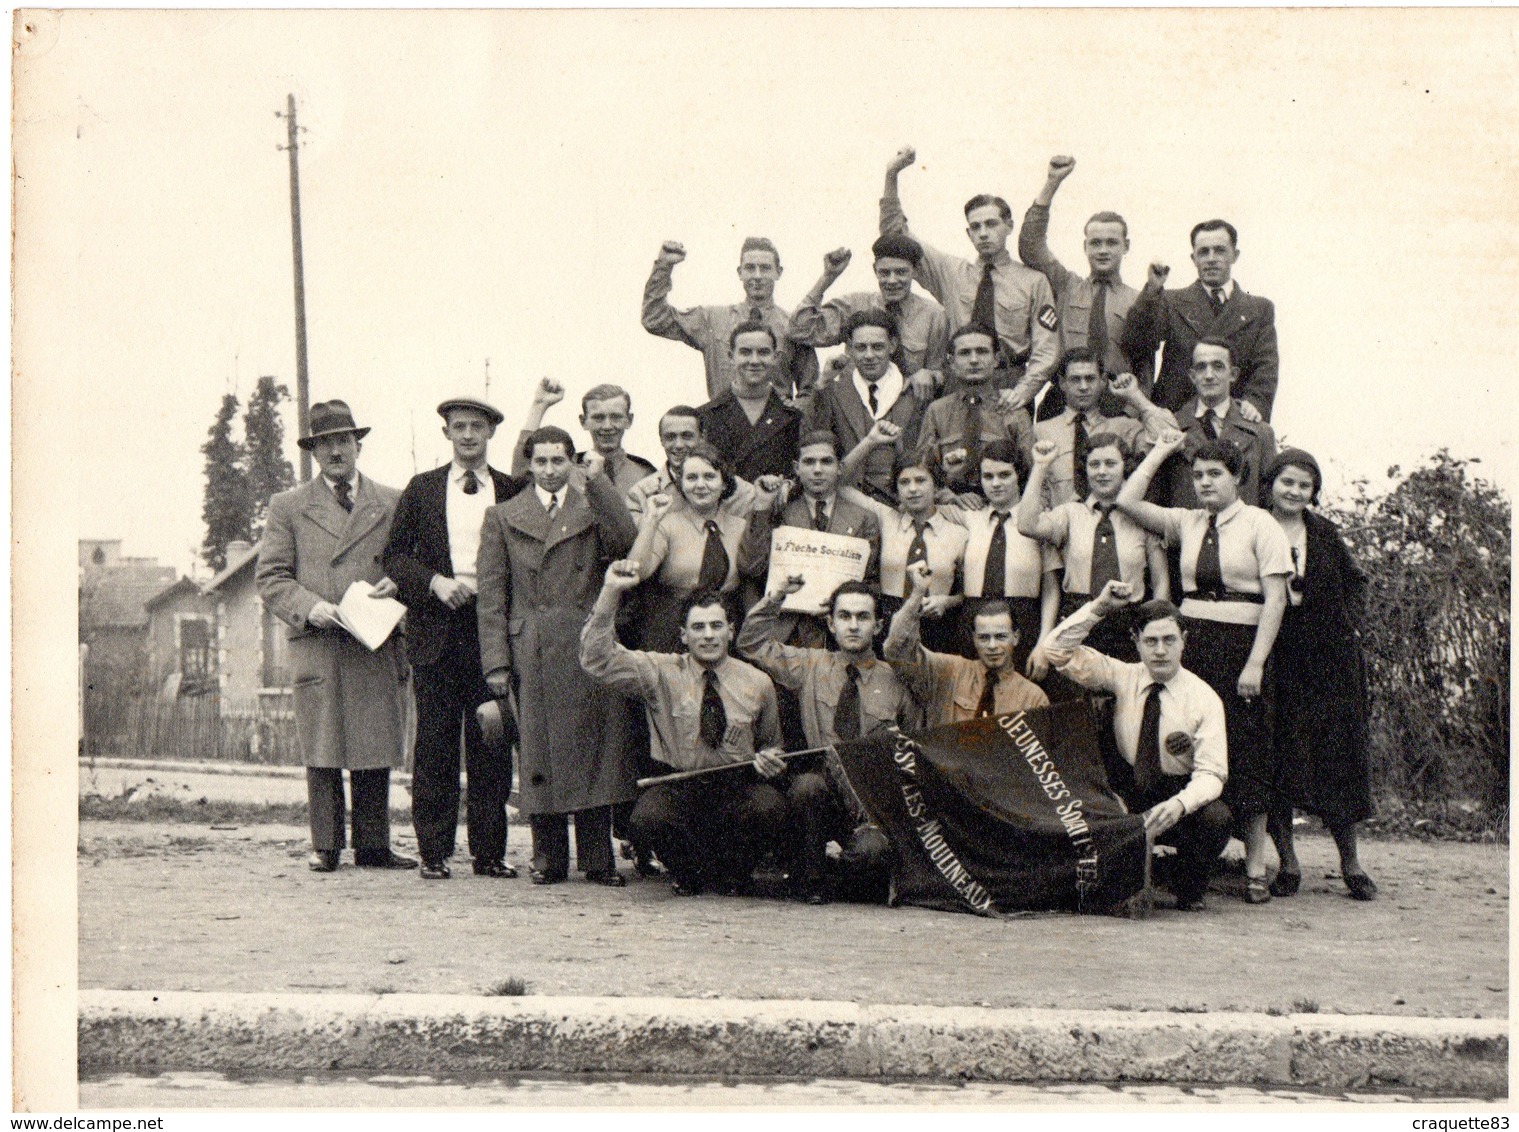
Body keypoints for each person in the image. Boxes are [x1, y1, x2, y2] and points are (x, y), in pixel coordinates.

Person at [1116, 429, 1291, 904]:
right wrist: (1160, 450)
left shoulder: (1261, 524)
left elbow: (1276, 599)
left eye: (1216, 474)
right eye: (1197, 476)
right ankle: (1198, 853)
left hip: (1242, 646)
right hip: (1194, 644)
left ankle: (1255, 864)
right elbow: (1127, 499)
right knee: (1185, 743)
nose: (1205, 483)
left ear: (1238, 478)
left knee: (1248, 753)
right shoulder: (1187, 521)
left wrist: (1255, 663)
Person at [255, 400, 416, 873]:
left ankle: (373, 845)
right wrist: (311, 608)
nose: (336, 451)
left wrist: (398, 584)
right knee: (323, 745)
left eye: (344, 440)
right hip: (320, 642)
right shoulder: (288, 506)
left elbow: (407, 562)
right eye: (326, 443)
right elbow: (272, 577)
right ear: (313, 451)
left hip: (374, 640)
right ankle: (325, 845)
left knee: (373, 741)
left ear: (357, 444)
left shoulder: (391, 501)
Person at [477, 426, 639, 886]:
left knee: (594, 752)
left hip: (586, 644)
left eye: (558, 461)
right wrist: (496, 663)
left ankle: (596, 858)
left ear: (573, 462)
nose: (549, 471)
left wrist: (600, 482)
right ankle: (548, 857)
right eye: (541, 462)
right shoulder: (503, 515)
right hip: (532, 648)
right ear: (528, 465)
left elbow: (625, 541)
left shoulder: (592, 507)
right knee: (539, 754)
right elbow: (492, 596)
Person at [581, 564, 790, 897]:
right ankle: (685, 872)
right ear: (683, 635)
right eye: (698, 627)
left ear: (731, 631)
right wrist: (610, 592)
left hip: (735, 788)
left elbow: (771, 744)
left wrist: (769, 760)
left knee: (770, 806)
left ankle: (734, 873)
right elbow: (597, 659)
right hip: (680, 785)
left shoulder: (758, 682)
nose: (708, 635)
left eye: (716, 626)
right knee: (648, 817)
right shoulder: (660, 673)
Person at [382, 397, 526, 881]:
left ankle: (488, 854)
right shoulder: (422, 489)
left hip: (491, 632)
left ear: (490, 435)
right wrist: (434, 582)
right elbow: (395, 557)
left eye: (477, 428)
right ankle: (434, 853)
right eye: (459, 427)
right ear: (446, 433)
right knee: (436, 746)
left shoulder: (510, 489)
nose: (468, 435)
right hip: (437, 633)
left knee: (491, 743)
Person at [1042, 581, 1232, 911]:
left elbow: (1213, 775)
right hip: (1129, 789)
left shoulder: (1204, 699)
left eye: (1169, 640)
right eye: (1151, 641)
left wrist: (1180, 805)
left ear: (1183, 642)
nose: (1160, 650)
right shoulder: (1123, 676)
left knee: (1216, 817)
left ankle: (1186, 887)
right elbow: (1056, 651)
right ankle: (1131, 877)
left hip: (1177, 793)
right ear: (1137, 642)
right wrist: (1099, 607)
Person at [738, 578, 914, 905]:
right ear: (831, 624)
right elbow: (751, 643)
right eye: (844, 616)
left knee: (871, 855)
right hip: (823, 792)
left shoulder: (897, 681)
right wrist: (777, 597)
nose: (853, 625)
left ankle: (834, 873)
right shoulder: (811, 665)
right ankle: (812, 881)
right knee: (806, 787)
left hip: (869, 801)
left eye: (863, 617)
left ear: (878, 625)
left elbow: (912, 751)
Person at [1262, 449, 1378, 901]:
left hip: (1328, 662)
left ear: (1313, 494)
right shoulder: (1252, 525)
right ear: (1271, 483)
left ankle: (1351, 863)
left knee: (1337, 756)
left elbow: (1355, 583)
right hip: (1275, 656)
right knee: (1278, 756)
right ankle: (1288, 863)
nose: (1293, 492)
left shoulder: (1324, 533)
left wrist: (1349, 624)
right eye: (1286, 482)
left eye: (1304, 486)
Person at [879, 144, 1060, 410]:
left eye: (991, 224)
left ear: (1009, 226)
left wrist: (1023, 392)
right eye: (976, 227)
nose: (983, 233)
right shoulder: (951, 273)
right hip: (956, 383)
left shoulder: (1033, 281)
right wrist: (891, 175)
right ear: (968, 234)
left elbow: (1046, 348)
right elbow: (896, 238)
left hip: (1009, 384)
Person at [1019, 432, 1169, 662]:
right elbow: (1027, 525)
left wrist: (1155, 627)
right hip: (1078, 616)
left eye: (1110, 464)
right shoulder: (1070, 513)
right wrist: (1040, 466)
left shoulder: (1142, 516)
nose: (1101, 471)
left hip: (1128, 622)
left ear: (1125, 467)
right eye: (1094, 464)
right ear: (1085, 470)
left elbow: (1160, 582)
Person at [1018, 155, 1146, 418]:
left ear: (1126, 247)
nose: (1103, 250)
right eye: (1095, 243)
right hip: (1063, 399)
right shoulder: (1066, 286)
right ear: (1084, 246)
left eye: (1111, 243)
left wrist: (1138, 410)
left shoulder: (1138, 299)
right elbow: (1031, 247)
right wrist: (1052, 183)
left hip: (1116, 404)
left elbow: (1144, 364)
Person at [1121, 219, 1280, 420]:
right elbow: (1136, 344)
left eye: (1220, 251)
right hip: (1177, 419)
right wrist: (1151, 292)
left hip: (1235, 419)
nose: (1211, 259)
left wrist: (1255, 404)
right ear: (1193, 258)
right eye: (1203, 252)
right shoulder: (1171, 301)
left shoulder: (1258, 309)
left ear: (1235, 255)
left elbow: (1265, 369)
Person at [737, 430, 882, 647]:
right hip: (787, 631)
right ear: (797, 468)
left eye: (826, 462)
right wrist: (762, 507)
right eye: (809, 462)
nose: (817, 470)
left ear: (840, 467)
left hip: (840, 634)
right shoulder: (777, 512)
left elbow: (870, 580)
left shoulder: (863, 518)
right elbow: (750, 567)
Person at [641, 236, 818, 403]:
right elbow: (655, 319)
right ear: (740, 273)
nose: (757, 276)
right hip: (723, 426)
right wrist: (664, 266)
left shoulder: (793, 326)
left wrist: (794, 411)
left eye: (764, 268)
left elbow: (809, 388)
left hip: (776, 429)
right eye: (750, 268)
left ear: (778, 272)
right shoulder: (713, 319)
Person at [837, 435, 970, 653]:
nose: (913, 489)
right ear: (896, 489)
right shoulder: (886, 518)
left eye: (921, 480)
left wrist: (946, 602)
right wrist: (871, 440)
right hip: (889, 623)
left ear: (936, 486)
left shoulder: (959, 534)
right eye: (904, 482)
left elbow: (968, 592)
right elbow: (839, 483)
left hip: (937, 629)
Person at [626, 441, 754, 652]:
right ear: (682, 485)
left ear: (724, 483)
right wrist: (651, 520)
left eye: (709, 476)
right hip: (670, 633)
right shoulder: (667, 525)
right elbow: (638, 571)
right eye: (692, 478)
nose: (700, 485)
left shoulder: (740, 527)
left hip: (721, 635)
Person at [885, 560, 1050, 724]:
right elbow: (897, 650)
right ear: (974, 639)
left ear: (1016, 637)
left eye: (1000, 637)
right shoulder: (949, 672)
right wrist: (917, 593)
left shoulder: (1033, 698)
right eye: (984, 638)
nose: (992, 646)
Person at [788, 237, 949, 400]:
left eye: (901, 272)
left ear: (914, 271)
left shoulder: (934, 315)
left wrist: (930, 375)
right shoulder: (854, 305)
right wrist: (828, 277)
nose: (892, 280)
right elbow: (799, 331)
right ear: (875, 270)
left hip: (908, 410)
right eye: (884, 273)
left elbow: (940, 371)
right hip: (856, 411)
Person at [957, 440, 1061, 681]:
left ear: (1018, 476)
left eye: (1004, 475)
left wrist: (1044, 642)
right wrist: (950, 495)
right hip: (974, 619)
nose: (995, 483)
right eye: (988, 476)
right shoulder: (969, 518)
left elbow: (1051, 589)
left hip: (1023, 621)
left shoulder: (1039, 523)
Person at [801, 309, 928, 505]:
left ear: (892, 346)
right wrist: (822, 382)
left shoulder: (914, 394)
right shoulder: (835, 391)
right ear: (850, 348)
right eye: (861, 347)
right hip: (845, 503)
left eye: (877, 347)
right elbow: (811, 437)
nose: (869, 355)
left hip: (900, 504)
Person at [1031, 353, 1170, 509]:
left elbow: (1170, 439)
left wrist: (1135, 396)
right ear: (1062, 383)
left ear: (1103, 381)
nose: (1083, 387)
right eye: (1075, 379)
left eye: (1090, 379)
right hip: (1061, 525)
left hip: (1113, 524)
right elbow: (1037, 493)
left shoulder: (1124, 428)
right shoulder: (1041, 432)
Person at [917, 325, 1035, 492]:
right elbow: (922, 473)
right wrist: (950, 498)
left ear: (996, 359)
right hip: (950, 508)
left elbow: (1030, 475)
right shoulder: (937, 412)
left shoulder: (1014, 412)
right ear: (952, 362)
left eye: (982, 351)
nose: (974, 360)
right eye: (965, 353)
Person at [1164, 339, 1278, 511]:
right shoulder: (1171, 426)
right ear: (1192, 376)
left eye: (1218, 366)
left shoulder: (1260, 433)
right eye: (1201, 367)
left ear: (1233, 374)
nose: (1209, 375)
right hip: (1187, 535)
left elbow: (1271, 502)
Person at [697, 322, 803, 483]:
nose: (754, 360)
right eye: (745, 352)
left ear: (775, 358)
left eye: (763, 352)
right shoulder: (705, 416)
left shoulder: (794, 418)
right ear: (731, 357)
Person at [511, 379, 657, 497]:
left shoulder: (645, 475)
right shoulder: (567, 472)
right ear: (583, 421)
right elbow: (519, 480)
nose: (607, 426)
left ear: (629, 420)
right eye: (598, 418)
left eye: (616, 417)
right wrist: (539, 406)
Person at [627, 404, 756, 518]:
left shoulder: (741, 492)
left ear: (702, 437)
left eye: (687, 436)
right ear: (661, 440)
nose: (678, 445)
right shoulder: (641, 494)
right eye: (670, 437)